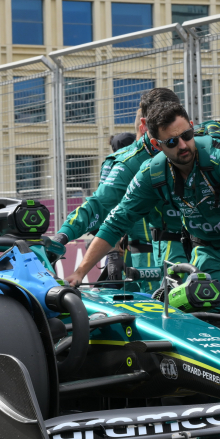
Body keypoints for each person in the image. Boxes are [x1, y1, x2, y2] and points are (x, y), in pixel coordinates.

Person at [65, 101, 220, 310]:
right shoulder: (151, 174)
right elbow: (116, 221)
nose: (183, 145)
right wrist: (79, 272)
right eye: (172, 142)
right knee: (205, 312)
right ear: (157, 145)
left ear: (192, 128)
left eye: (186, 135)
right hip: (206, 251)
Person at [53, 88, 188, 291]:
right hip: (145, 254)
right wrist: (64, 239)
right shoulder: (126, 163)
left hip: (201, 247)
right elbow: (103, 209)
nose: (176, 142)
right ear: (145, 125)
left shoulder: (199, 144)